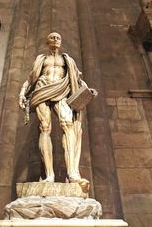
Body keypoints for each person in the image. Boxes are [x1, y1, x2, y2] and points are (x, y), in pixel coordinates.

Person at [19, 32, 98, 183]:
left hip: (61, 91)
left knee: (68, 124)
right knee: (45, 127)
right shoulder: (42, 59)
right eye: (52, 37)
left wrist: (87, 90)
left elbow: (77, 78)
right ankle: (49, 175)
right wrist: (22, 93)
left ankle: (73, 173)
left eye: (58, 38)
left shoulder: (66, 60)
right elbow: (30, 78)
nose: (55, 39)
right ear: (47, 41)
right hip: (42, 90)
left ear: (61, 42)